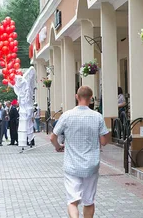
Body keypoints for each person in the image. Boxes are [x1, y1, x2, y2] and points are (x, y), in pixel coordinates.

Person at [50, 86, 110, 218]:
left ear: (77, 97)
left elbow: (52, 137)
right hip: (91, 164)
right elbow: (105, 140)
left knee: (72, 201)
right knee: (89, 201)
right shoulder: (97, 117)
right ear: (91, 99)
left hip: (72, 164)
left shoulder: (67, 115)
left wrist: (58, 146)